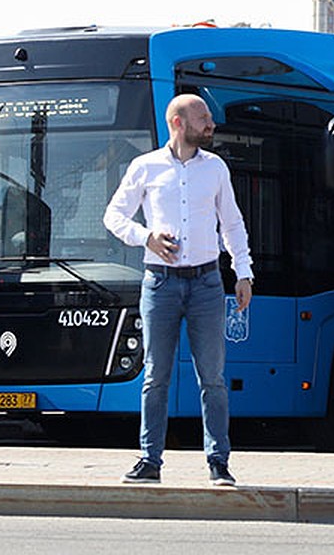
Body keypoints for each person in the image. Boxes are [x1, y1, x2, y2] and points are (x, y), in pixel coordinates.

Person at [103, 94, 253, 487]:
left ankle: (219, 462)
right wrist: (145, 236)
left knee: (213, 378)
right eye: (202, 117)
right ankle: (149, 460)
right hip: (160, 282)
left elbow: (232, 224)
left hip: (206, 281)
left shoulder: (216, 168)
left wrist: (243, 273)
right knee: (155, 375)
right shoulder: (145, 167)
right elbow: (113, 216)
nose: (211, 123)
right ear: (177, 123)